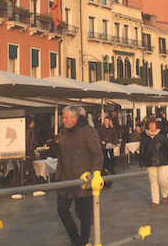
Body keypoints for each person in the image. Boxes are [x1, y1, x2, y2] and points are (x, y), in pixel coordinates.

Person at [55, 105, 103, 246]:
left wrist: (95, 175)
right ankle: (75, 240)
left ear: (74, 119)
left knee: (84, 215)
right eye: (63, 117)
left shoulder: (88, 132)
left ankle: (83, 242)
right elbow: (60, 156)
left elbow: (97, 155)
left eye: (65, 117)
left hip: (84, 179)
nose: (63, 120)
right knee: (61, 208)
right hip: (65, 178)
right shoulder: (63, 132)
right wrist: (58, 176)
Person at [139, 117, 168, 208]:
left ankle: (165, 194)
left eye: (153, 124)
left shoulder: (162, 136)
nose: (151, 126)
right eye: (150, 124)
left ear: (156, 125)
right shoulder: (144, 137)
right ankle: (155, 200)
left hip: (163, 161)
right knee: (153, 181)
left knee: (163, 179)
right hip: (150, 161)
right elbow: (142, 150)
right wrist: (141, 161)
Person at [24, 117, 39, 185]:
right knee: (24, 170)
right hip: (29, 153)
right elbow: (29, 142)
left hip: (29, 152)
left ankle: (34, 183)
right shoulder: (29, 130)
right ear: (31, 123)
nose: (34, 123)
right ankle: (17, 184)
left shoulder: (28, 130)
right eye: (33, 122)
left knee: (31, 169)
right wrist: (28, 153)